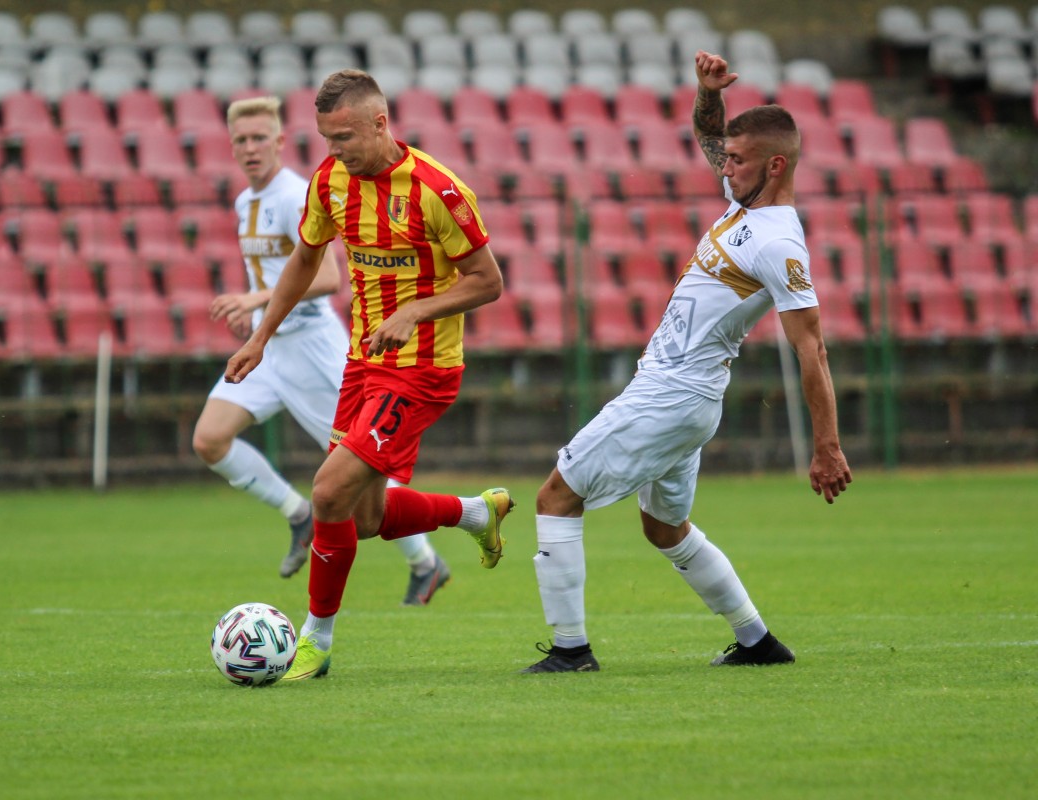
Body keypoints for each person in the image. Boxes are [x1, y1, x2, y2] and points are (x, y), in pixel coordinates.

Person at [520, 50, 853, 674]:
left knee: (556, 496)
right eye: (727, 158)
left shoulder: (778, 242)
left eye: (738, 160)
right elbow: (709, 133)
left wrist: (827, 447)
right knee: (664, 529)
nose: (724, 166)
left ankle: (570, 651)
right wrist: (709, 94)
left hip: (672, 396)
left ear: (775, 166)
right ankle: (758, 642)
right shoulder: (743, 204)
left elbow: (811, 347)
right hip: (682, 396)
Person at [225, 70, 513, 681]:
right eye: (326, 138)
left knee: (327, 492)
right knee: (362, 519)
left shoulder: (438, 190)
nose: (335, 150)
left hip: (423, 370)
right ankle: (476, 513)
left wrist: (415, 311)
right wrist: (260, 336)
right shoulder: (330, 181)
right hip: (363, 364)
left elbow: (489, 281)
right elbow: (305, 259)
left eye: (346, 137)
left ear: (381, 124)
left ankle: (315, 641)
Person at [193, 96, 454, 606]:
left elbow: (329, 277)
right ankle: (297, 515)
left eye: (259, 138)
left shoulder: (296, 194)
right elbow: (275, 273)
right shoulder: (244, 202)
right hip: (271, 352)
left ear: (278, 141)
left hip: (315, 351)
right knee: (209, 439)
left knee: (354, 477)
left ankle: (425, 562)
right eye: (241, 140)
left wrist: (253, 298)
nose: (250, 148)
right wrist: (258, 319)